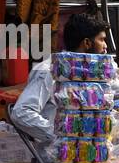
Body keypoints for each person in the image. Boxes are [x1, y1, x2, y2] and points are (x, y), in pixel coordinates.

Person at [11, 10, 111, 150]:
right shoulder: (49, 70)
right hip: (59, 154)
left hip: (87, 150)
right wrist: (60, 133)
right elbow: (21, 112)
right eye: (101, 40)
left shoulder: (90, 72)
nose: (106, 46)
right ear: (87, 43)